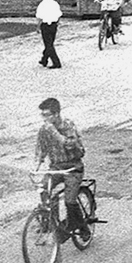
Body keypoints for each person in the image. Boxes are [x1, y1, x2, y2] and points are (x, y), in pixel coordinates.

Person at [35, 97, 88, 238]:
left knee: (70, 201)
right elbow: (41, 148)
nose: (44, 119)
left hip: (73, 168)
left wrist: (54, 132)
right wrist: (36, 165)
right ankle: (52, 221)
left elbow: (70, 144)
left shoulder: (68, 126)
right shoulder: (44, 129)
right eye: (43, 115)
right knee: (44, 188)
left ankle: (83, 228)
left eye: (47, 115)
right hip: (56, 167)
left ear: (57, 114)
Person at [35, 0, 62, 69]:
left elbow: (39, 17)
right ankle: (44, 59)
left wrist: (38, 27)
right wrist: (57, 23)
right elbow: (59, 14)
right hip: (53, 25)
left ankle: (56, 62)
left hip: (45, 25)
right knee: (50, 43)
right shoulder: (55, 4)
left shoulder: (42, 5)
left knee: (48, 44)